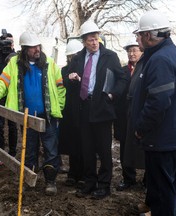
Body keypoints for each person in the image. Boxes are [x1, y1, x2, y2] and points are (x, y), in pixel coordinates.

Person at [0, 31, 66, 196]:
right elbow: (2, 82)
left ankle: (50, 181)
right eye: (32, 47)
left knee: (51, 149)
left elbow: (60, 86)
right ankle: (30, 179)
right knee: (29, 149)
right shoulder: (14, 64)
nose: (37, 49)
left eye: (38, 46)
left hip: (48, 116)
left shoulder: (49, 63)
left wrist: (59, 107)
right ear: (24, 49)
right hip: (27, 117)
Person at [130, 10, 176, 215]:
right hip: (173, 137)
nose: (137, 39)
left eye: (139, 35)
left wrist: (140, 128)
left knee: (163, 191)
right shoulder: (171, 54)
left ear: (148, 35)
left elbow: (158, 102)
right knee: (169, 188)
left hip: (163, 139)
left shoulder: (161, 59)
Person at [67, 21, 128, 199]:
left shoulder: (110, 56)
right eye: (90, 40)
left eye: (96, 39)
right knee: (87, 148)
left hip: (102, 106)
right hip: (84, 107)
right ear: (84, 41)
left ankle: (104, 184)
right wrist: (71, 77)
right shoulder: (78, 58)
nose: (94, 43)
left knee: (103, 149)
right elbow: (67, 76)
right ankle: (89, 182)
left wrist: (112, 95)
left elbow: (122, 78)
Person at [114, 39, 144, 191]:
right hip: (124, 116)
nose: (132, 54)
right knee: (125, 147)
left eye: (135, 50)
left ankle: (147, 180)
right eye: (129, 51)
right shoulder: (122, 71)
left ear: (141, 51)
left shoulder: (147, 68)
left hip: (141, 115)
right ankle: (128, 178)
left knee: (144, 147)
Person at [0, 33, 18, 165]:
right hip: (0, 95)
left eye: (10, 42)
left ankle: (13, 152)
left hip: (13, 96)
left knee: (13, 125)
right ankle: (0, 152)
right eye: (6, 42)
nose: (8, 44)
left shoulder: (17, 57)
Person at [58, 39, 84, 187]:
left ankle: (83, 174)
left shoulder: (86, 69)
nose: (73, 59)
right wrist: (68, 78)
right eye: (71, 56)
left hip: (82, 110)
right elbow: (60, 84)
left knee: (83, 143)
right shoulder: (63, 71)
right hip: (68, 111)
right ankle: (73, 173)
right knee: (73, 143)